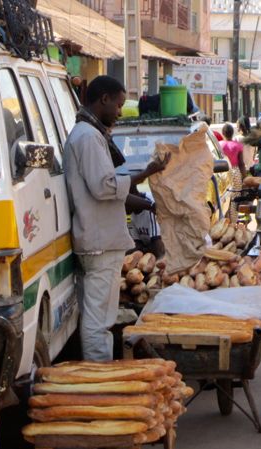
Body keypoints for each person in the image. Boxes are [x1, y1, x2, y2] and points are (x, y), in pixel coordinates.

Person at [63, 75, 168, 361]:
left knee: (98, 317)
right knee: (98, 321)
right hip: (99, 241)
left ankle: (99, 370)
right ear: (104, 99)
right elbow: (104, 187)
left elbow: (107, 190)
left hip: (98, 238)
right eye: (119, 105)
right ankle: (99, 375)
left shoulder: (89, 134)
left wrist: (145, 204)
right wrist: (146, 173)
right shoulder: (88, 136)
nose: (120, 112)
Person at [220, 123, 247, 223]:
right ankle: (233, 223)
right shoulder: (238, 146)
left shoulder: (219, 145)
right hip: (235, 172)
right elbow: (241, 163)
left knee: (223, 199)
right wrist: (245, 178)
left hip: (223, 172)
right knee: (235, 200)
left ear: (223, 133)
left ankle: (223, 223)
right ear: (232, 133)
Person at [129, 191, 165, 259]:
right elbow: (137, 245)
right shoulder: (130, 215)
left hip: (166, 254)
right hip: (150, 253)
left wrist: (142, 249)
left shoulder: (151, 209)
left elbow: (158, 248)